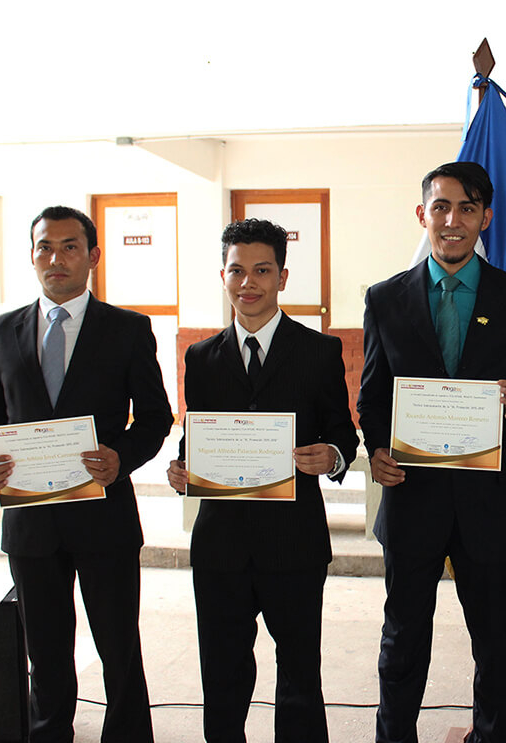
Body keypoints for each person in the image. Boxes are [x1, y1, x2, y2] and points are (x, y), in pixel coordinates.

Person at [358, 161, 506, 743]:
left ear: (485, 218)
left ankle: (490, 737)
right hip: (411, 500)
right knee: (401, 642)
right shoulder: (385, 299)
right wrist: (375, 449)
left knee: (495, 645)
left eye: (467, 208)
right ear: (422, 215)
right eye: (440, 207)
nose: (452, 220)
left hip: (490, 505)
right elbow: (373, 398)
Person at [0, 205, 173, 743]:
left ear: (93, 257)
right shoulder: (1, 330)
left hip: (103, 517)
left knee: (118, 648)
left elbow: (155, 417)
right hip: (31, 521)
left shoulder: (128, 330)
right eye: (44, 247)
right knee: (46, 650)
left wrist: (120, 458)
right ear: (32, 255)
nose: (55, 258)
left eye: (69, 247)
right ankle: (49, 733)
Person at [166, 219, 359, 743]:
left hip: (292, 543)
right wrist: (181, 470)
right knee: (223, 674)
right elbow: (196, 436)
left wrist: (333, 455)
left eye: (261, 271)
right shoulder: (201, 357)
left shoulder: (319, 352)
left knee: (299, 673)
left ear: (282, 277)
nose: (248, 282)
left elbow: (344, 433)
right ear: (223, 276)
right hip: (220, 546)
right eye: (237, 271)